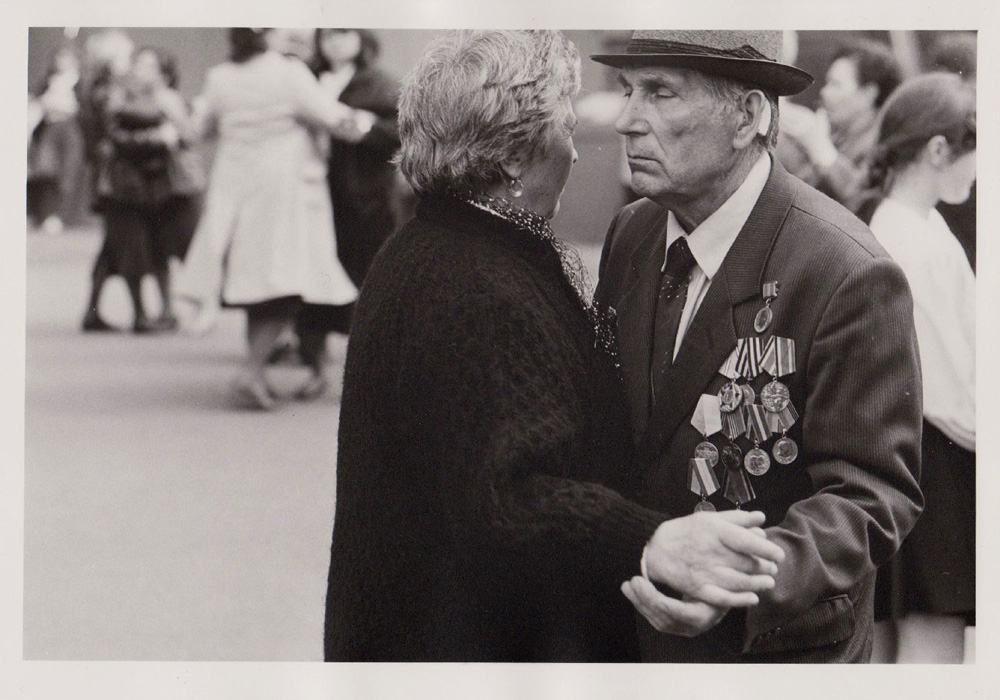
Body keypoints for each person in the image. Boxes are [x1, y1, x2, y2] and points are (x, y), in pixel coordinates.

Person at [324, 30, 785, 662]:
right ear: (514, 156)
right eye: (566, 126)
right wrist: (649, 540)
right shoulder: (475, 284)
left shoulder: (450, 246)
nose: (576, 148)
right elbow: (507, 492)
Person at [591, 29, 923, 662]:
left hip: (772, 651)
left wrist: (738, 578)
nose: (628, 120)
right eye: (629, 90)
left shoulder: (846, 271)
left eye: (660, 92)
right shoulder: (632, 234)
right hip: (636, 639)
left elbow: (871, 493)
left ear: (746, 116)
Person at [174, 28, 363, 409]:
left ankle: (256, 373)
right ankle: (250, 371)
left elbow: (201, 130)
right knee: (284, 283)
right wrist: (369, 125)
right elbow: (335, 119)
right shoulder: (288, 73)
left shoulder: (220, 76)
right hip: (283, 190)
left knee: (254, 283)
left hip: (234, 185)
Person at [864, 73, 976, 664]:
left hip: (907, 462)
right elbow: (954, 392)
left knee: (888, 645)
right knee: (930, 654)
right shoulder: (916, 241)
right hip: (937, 469)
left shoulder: (910, 224)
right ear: (938, 150)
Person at [289, 29, 404, 399]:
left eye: (343, 33)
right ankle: (314, 367)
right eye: (327, 36)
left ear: (362, 38)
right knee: (310, 288)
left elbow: (401, 130)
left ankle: (370, 373)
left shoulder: (380, 82)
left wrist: (365, 128)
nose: (334, 42)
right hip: (311, 194)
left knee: (366, 284)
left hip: (364, 200)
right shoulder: (304, 76)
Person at [82, 43, 191, 334]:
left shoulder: (153, 97)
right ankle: (140, 315)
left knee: (145, 247)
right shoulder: (117, 95)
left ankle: (156, 312)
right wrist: (159, 133)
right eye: (139, 64)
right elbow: (116, 131)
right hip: (123, 186)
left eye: (151, 66)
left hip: (149, 186)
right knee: (130, 249)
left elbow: (185, 134)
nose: (144, 71)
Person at [780, 38, 901, 213]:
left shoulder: (884, 143)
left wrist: (822, 151)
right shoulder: (838, 133)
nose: (824, 92)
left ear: (868, 94)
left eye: (835, 85)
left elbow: (863, 202)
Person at [27, 46, 85, 236]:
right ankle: (43, 214)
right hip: (50, 127)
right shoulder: (48, 81)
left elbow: (84, 108)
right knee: (45, 171)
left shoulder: (78, 81)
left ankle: (59, 216)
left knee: (67, 174)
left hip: (70, 129)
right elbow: (35, 99)